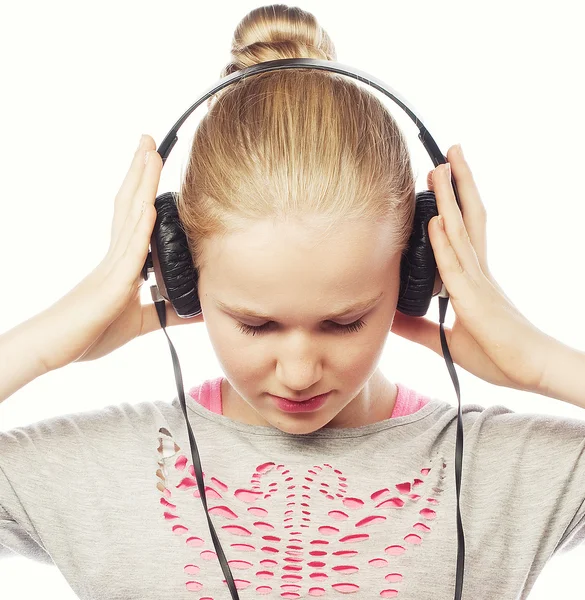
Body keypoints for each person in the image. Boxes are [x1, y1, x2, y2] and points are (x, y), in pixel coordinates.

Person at [1, 4, 585, 598]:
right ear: (179, 275)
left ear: (419, 275)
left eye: (345, 322)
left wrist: (537, 362)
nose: (300, 373)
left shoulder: (503, 471)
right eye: (255, 325)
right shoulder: (100, 469)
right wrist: (47, 343)